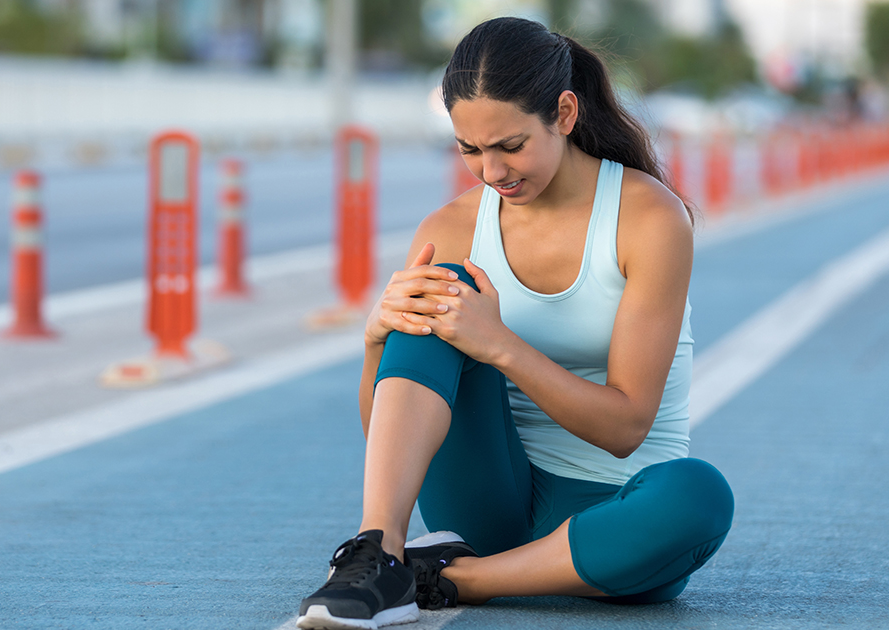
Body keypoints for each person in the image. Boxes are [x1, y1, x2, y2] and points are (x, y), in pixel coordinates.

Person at [295, 16, 734, 630]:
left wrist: (499, 345)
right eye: (470, 150)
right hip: (489, 502)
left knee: (700, 496)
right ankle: (380, 557)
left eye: (511, 145)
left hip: (613, 513)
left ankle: (453, 578)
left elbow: (626, 426)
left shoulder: (648, 218)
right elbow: (394, 439)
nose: (492, 172)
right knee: (440, 299)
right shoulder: (449, 230)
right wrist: (377, 343)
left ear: (565, 113)